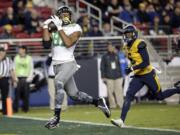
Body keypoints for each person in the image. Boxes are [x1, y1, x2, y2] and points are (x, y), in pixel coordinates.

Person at [42, 6, 110, 129]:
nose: (64, 17)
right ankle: (97, 102)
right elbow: (46, 44)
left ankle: (56, 118)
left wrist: (59, 28)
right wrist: (45, 27)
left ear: (70, 15)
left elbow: (68, 43)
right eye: (61, 15)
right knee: (74, 95)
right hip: (57, 65)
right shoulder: (56, 28)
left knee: (58, 82)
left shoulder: (76, 27)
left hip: (68, 63)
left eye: (66, 14)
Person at [111, 25, 180, 127]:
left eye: (129, 34)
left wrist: (132, 69)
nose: (127, 36)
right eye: (126, 34)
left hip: (148, 74)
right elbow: (134, 61)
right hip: (138, 76)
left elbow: (146, 62)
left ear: (134, 34)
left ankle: (177, 89)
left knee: (160, 96)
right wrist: (130, 68)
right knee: (129, 95)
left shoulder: (140, 43)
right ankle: (121, 120)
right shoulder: (126, 47)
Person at [100, 43, 124, 109]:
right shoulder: (104, 56)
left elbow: (119, 65)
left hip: (118, 76)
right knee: (110, 92)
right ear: (107, 48)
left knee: (119, 91)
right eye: (109, 47)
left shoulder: (117, 55)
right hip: (109, 77)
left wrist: (121, 75)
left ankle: (121, 104)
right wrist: (103, 76)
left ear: (113, 48)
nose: (110, 48)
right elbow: (102, 67)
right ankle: (112, 105)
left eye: (111, 47)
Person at [13, 45, 34, 113]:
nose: (19, 51)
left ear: (24, 50)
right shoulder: (16, 58)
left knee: (26, 95)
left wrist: (29, 78)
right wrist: (15, 79)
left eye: (20, 49)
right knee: (17, 95)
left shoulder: (29, 58)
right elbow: (13, 69)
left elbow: (31, 69)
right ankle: (15, 109)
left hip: (26, 78)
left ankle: (25, 108)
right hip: (18, 78)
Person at [0, 43, 17, 115]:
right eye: (0, 52)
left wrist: (14, 80)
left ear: (5, 53)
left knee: (5, 96)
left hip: (4, 79)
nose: (2, 53)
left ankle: (5, 112)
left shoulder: (8, 60)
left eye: (3, 52)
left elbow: (12, 71)